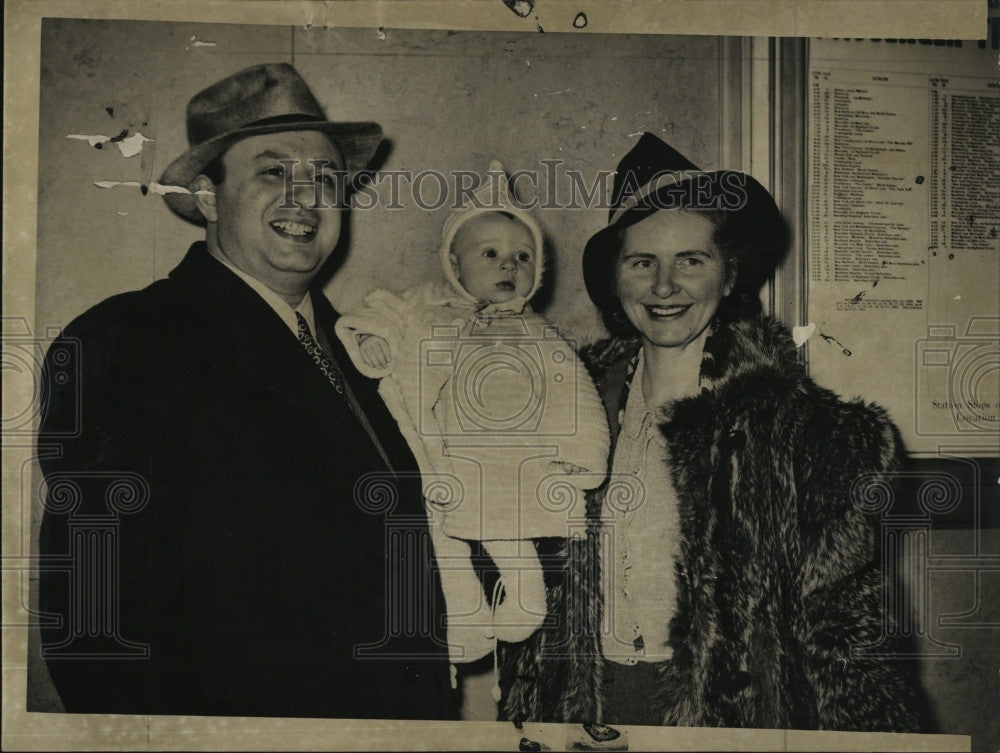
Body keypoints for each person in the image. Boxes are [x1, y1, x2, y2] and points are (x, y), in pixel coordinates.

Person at [36, 63, 457, 719]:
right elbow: (100, 627)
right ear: (208, 196)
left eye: (325, 178)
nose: (305, 198)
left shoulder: (358, 343)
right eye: (272, 171)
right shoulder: (133, 338)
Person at [497, 132, 923, 730]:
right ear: (617, 279)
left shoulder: (810, 436)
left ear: (727, 278)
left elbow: (848, 650)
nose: (664, 287)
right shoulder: (559, 406)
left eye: (690, 261)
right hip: (581, 713)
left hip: (731, 726)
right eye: (642, 262)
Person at [335, 162, 608, 694]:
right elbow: (380, 315)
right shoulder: (424, 305)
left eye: (523, 256)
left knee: (511, 536)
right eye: (490, 254)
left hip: (507, 465)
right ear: (453, 263)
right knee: (441, 534)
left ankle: (526, 598)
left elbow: (575, 391)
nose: (509, 264)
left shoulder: (537, 333)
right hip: (436, 454)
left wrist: (584, 454)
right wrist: (375, 342)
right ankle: (464, 615)